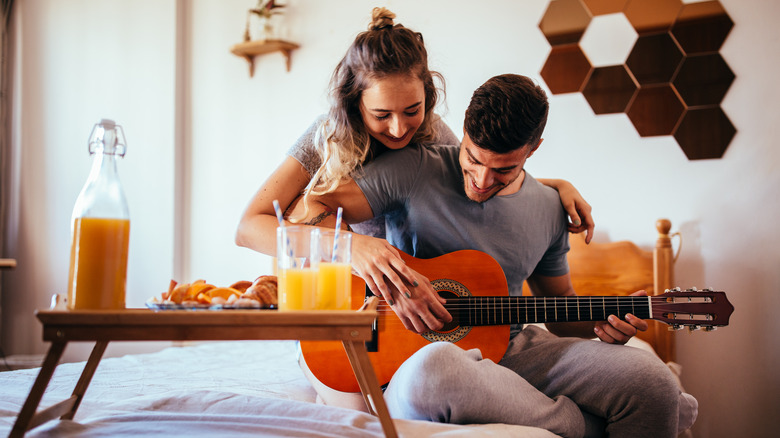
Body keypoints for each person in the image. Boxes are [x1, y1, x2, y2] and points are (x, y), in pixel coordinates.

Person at [290, 74, 698, 438]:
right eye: (472, 158)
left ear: (533, 149)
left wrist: (605, 323)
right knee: (433, 373)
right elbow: (309, 212)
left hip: (517, 349)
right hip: (418, 356)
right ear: (463, 131)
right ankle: (577, 426)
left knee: (654, 381)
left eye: (502, 169)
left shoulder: (551, 208)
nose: (482, 181)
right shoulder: (413, 168)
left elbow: (564, 311)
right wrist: (361, 250)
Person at [235, 7, 595, 306]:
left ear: (428, 94)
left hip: (396, 312)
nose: (398, 129)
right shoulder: (325, 138)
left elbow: (475, 179)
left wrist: (555, 188)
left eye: (412, 109)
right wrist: (352, 247)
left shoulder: (434, 134)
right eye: (381, 115)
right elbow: (249, 226)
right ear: (354, 103)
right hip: (330, 297)